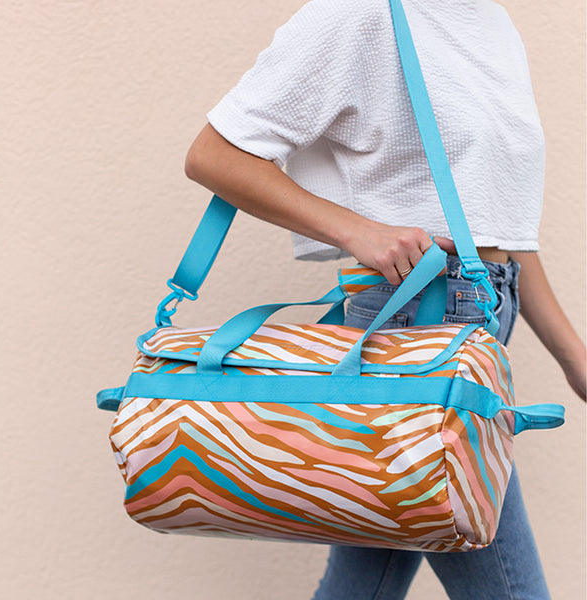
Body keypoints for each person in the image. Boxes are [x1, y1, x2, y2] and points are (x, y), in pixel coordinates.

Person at [183, 0, 586, 597]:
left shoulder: (493, 22)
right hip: (409, 326)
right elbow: (214, 154)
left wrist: (573, 358)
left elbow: (501, 236)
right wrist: (358, 230)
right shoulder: (358, 13)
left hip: (481, 325)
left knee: (367, 577)